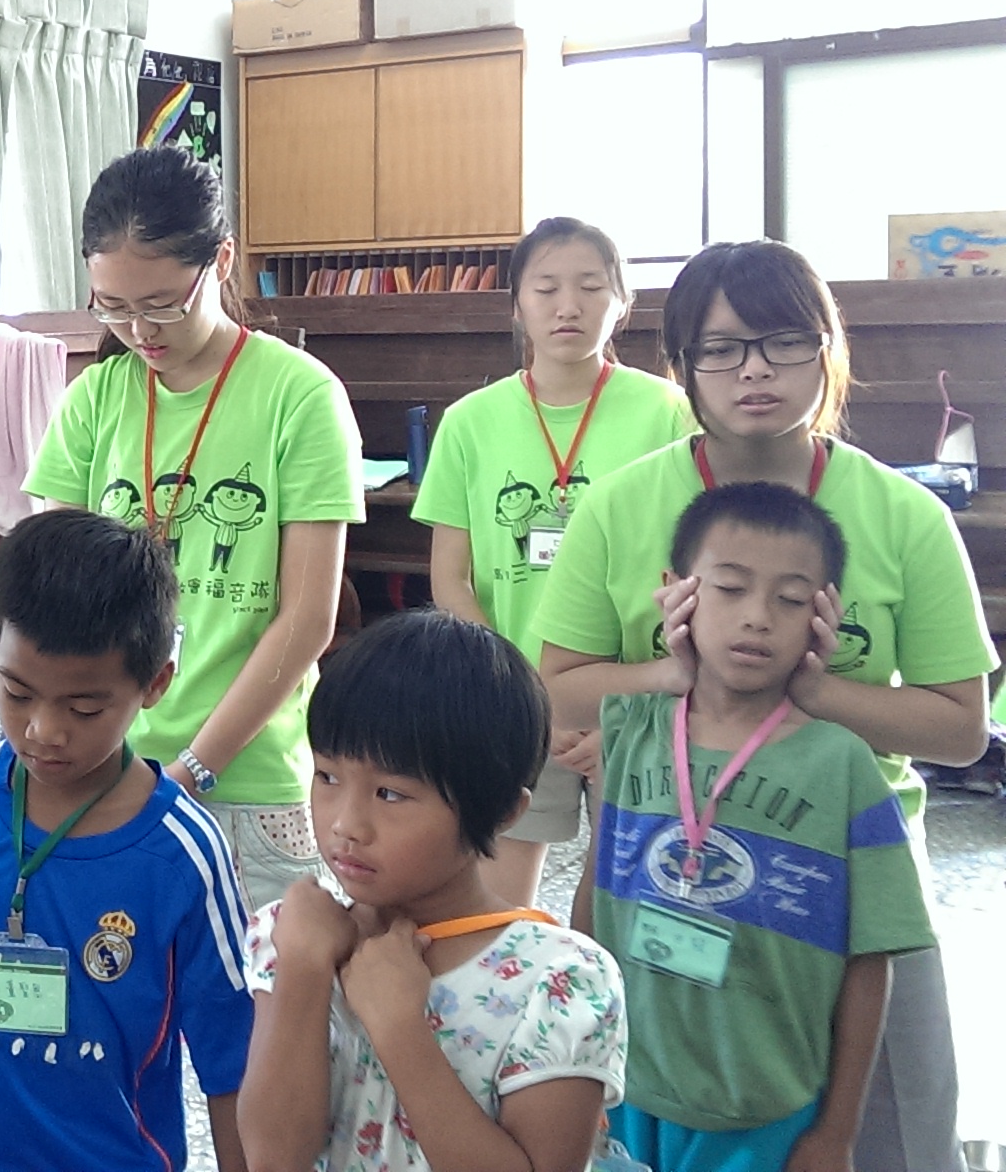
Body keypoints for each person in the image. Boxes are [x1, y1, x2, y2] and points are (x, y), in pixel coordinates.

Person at [535, 239, 993, 1172]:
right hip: (665, 858)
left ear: (827, 351)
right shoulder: (621, 505)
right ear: (681, 365)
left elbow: (958, 728)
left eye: (785, 342)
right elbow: (557, 688)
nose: (755, 370)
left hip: (851, 860)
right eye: (721, 348)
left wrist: (819, 693)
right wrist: (671, 676)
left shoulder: (906, 516)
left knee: (895, 1126)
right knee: (657, 1106)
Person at [0, 509, 253, 1172]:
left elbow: (231, 1064)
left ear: (155, 683)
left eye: (84, 707)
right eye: (17, 693)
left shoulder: (184, 853)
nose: (43, 730)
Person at [25, 146, 365, 910]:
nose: (139, 329)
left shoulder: (299, 396)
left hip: (249, 782)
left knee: (256, 985)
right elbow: (57, 604)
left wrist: (194, 769)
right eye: (113, 306)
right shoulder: (94, 399)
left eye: (162, 303)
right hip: (108, 769)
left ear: (222, 261)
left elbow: (306, 618)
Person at [576, 482, 934, 1172]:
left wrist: (837, 1133)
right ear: (678, 591)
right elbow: (594, 892)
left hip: (766, 1107)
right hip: (625, 1087)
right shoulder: (632, 729)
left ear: (824, 615)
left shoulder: (845, 767)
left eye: (791, 599)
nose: (758, 618)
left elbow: (870, 963)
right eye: (730, 588)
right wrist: (581, 1059)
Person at [237, 609, 626, 1172]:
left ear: (501, 810)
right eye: (328, 776)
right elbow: (273, 1159)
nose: (346, 824)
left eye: (391, 794)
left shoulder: (559, 982)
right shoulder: (291, 935)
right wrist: (302, 969)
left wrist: (399, 1029)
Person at [413, 216, 691, 905]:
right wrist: (520, 696)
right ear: (517, 305)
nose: (569, 306)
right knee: (496, 909)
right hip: (509, 699)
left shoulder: (668, 412)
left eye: (591, 287)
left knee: (628, 899)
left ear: (622, 303)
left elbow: (695, 567)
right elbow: (450, 578)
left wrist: (615, 709)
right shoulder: (471, 421)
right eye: (546, 289)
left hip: (639, 702)